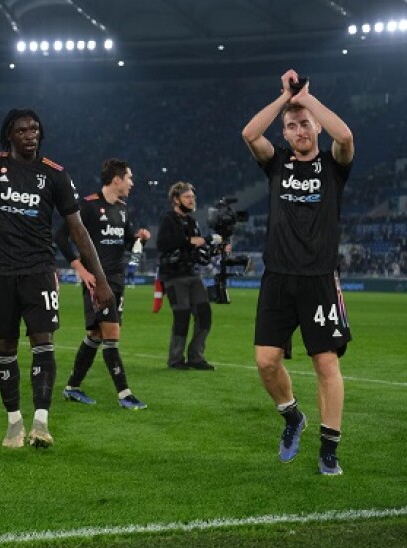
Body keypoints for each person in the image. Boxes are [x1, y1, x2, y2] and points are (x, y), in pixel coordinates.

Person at [0, 108, 114, 449]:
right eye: (22, 130)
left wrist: (100, 279)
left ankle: (41, 423)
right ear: (9, 136)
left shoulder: (55, 175)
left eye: (35, 129)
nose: (30, 134)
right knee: (4, 348)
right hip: (0, 274)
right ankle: (14, 422)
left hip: (38, 272)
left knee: (42, 342)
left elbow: (77, 229)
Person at [242, 69, 354, 475]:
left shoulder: (333, 164)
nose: (299, 130)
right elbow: (249, 134)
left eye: (304, 123)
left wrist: (307, 98)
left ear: (315, 126)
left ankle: (329, 448)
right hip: (278, 278)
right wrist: (283, 98)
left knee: (326, 365)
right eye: (291, 126)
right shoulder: (276, 165)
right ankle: (292, 417)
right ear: (285, 133)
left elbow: (345, 137)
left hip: (320, 279)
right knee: (266, 362)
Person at [54, 158, 151, 409]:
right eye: (129, 177)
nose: (131, 182)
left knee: (95, 335)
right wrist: (80, 269)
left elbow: (128, 242)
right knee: (112, 334)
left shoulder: (122, 208)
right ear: (116, 179)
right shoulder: (86, 206)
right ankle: (124, 394)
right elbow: (60, 236)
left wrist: (139, 238)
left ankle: (72, 387)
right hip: (97, 282)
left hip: (117, 281)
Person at [156, 181, 217, 371]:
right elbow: (163, 243)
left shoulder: (191, 221)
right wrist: (192, 241)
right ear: (176, 199)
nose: (192, 200)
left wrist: (214, 248)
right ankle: (175, 360)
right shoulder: (168, 219)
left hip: (192, 273)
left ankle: (196, 357)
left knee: (204, 314)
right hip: (174, 276)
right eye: (187, 197)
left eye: (193, 197)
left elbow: (199, 249)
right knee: (181, 316)